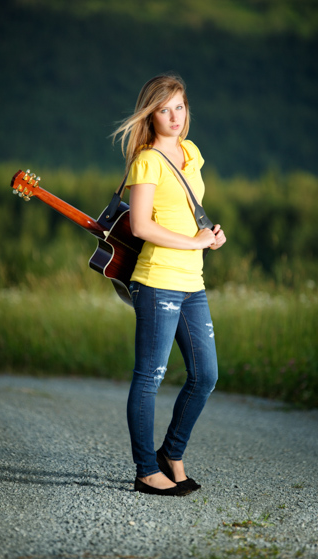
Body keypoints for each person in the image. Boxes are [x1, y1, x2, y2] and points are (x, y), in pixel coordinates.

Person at [112, 74, 226, 496]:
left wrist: (209, 235)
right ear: (151, 114)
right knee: (150, 377)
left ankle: (171, 454)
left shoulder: (190, 152)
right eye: (164, 109)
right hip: (157, 280)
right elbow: (141, 225)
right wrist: (192, 241)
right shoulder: (147, 160)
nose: (174, 116)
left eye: (179, 106)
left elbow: (183, 212)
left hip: (191, 281)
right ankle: (146, 470)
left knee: (206, 374)